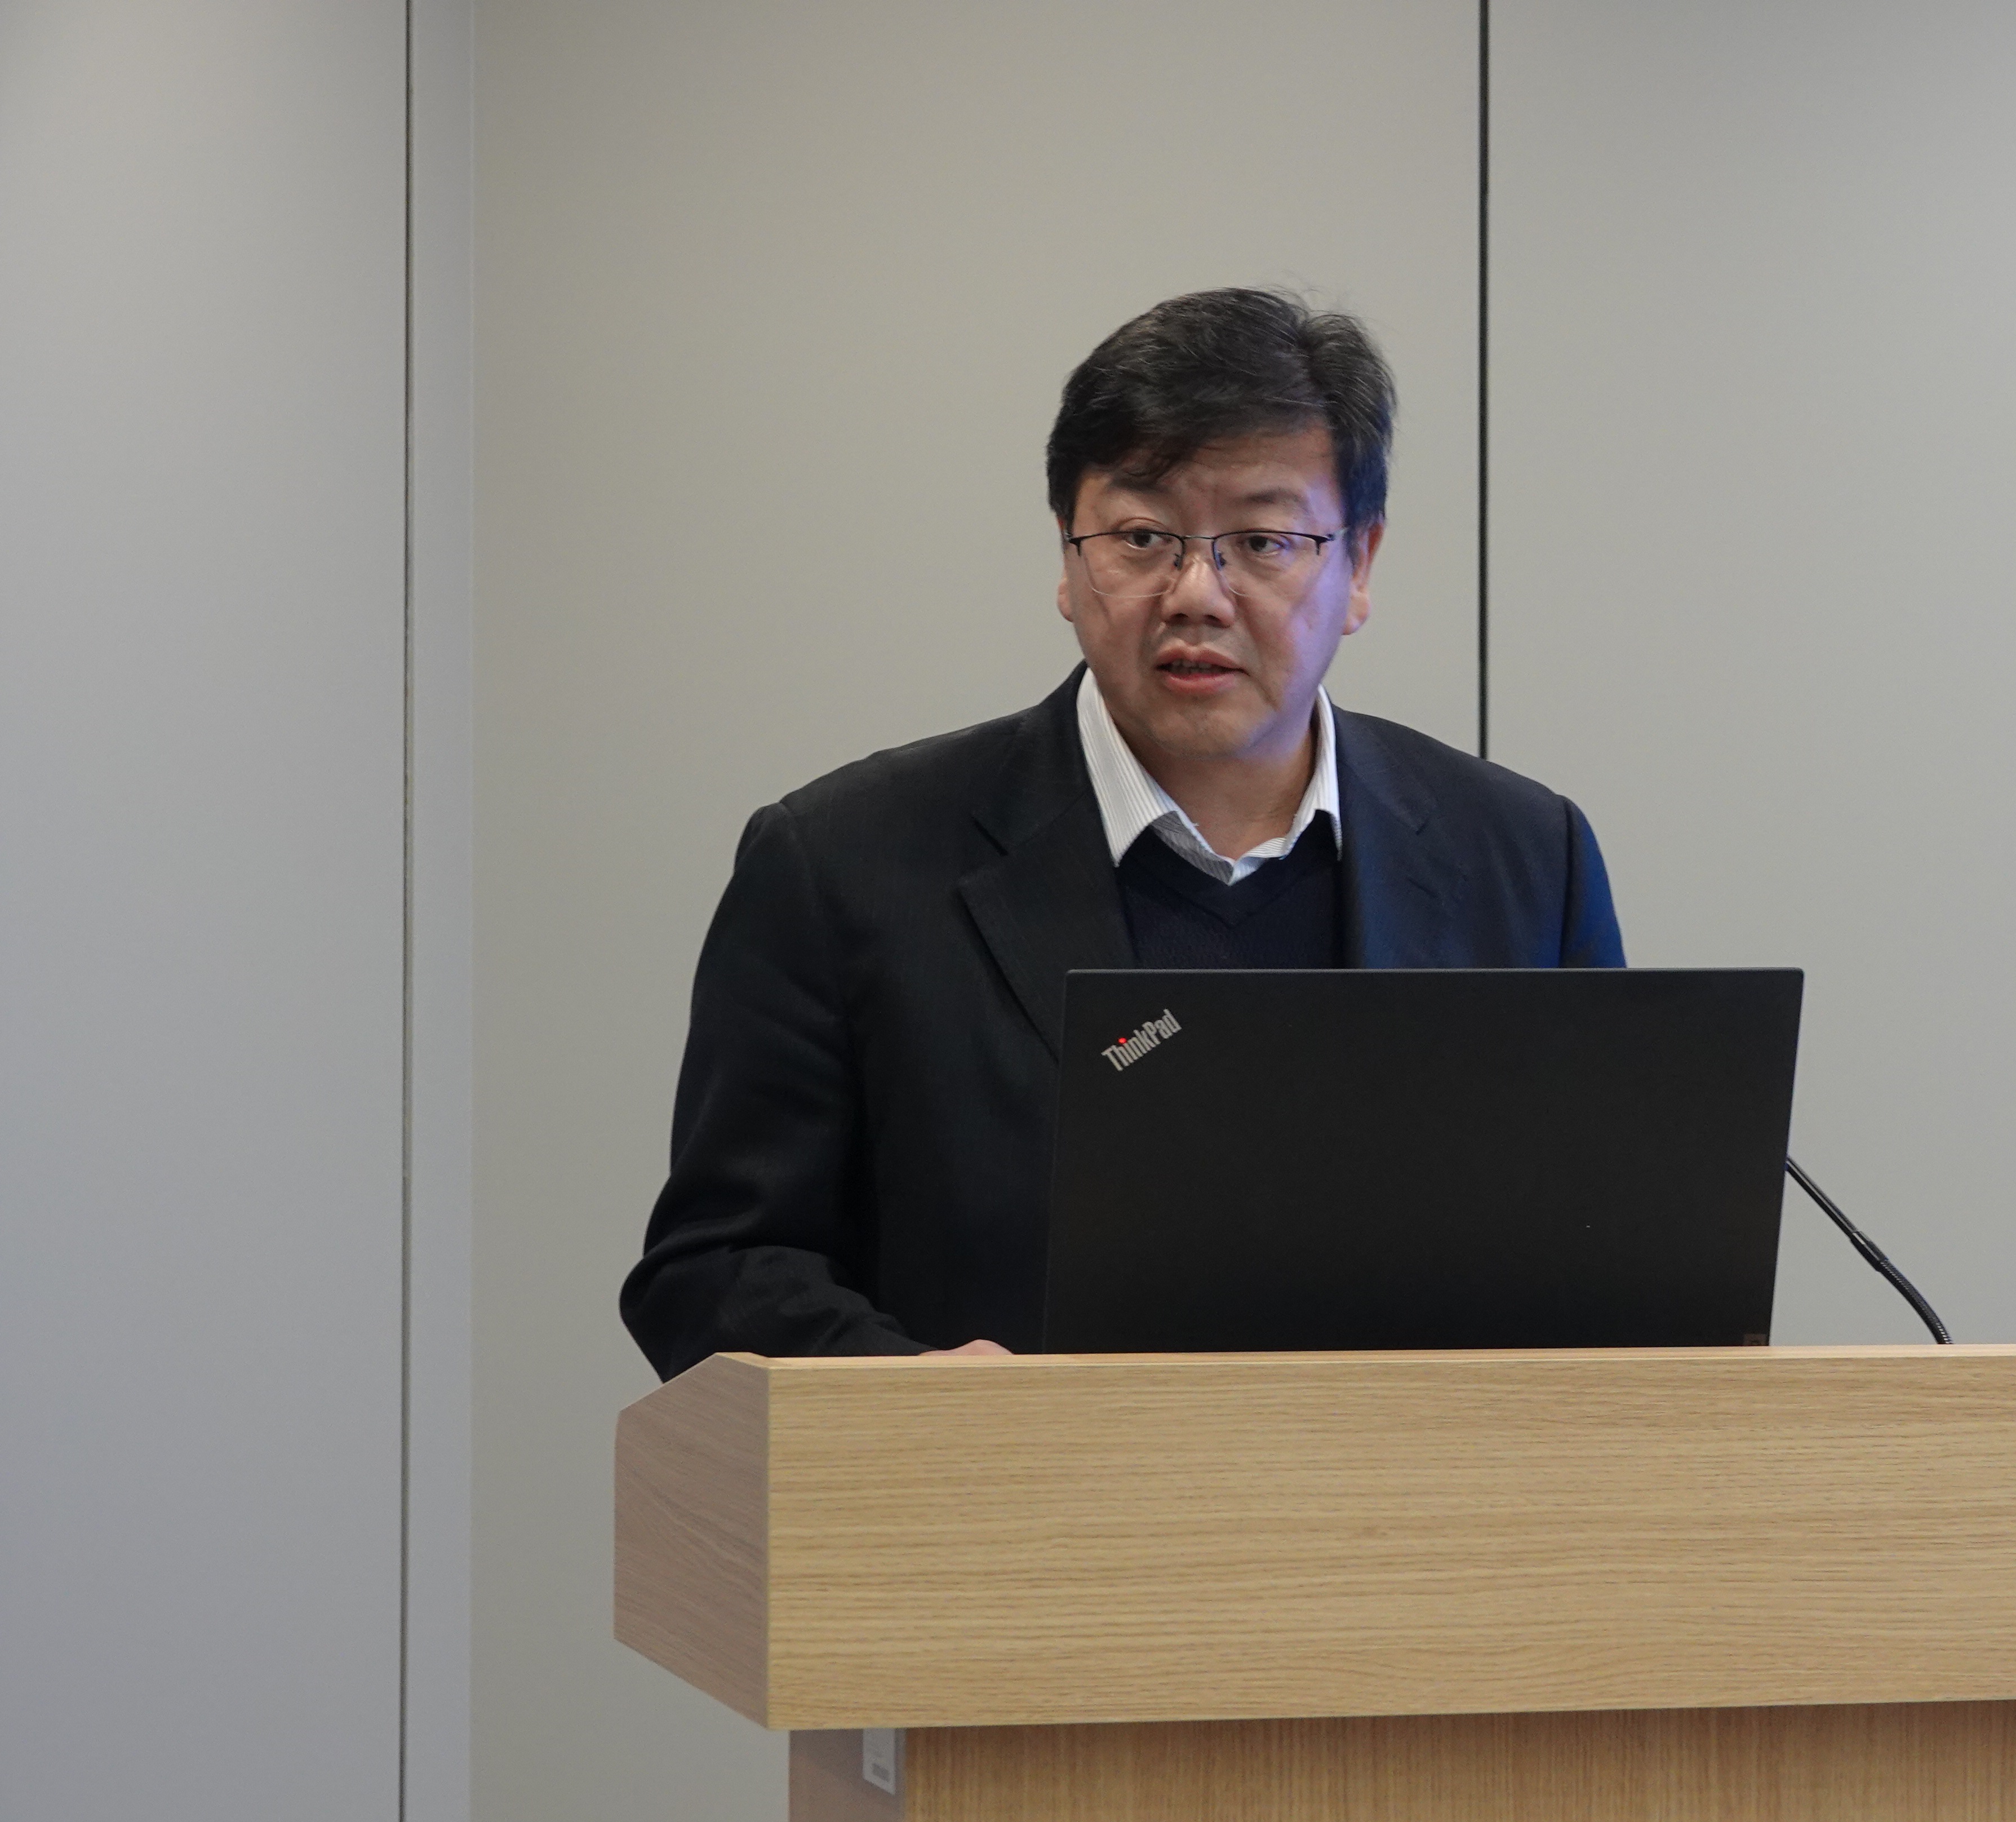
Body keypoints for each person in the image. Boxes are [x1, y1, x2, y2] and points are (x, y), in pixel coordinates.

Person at [620, 288, 1625, 1378]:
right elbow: (714, 1271)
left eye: (1263, 540)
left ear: (1360, 567)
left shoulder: (1525, 860)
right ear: (1067, 557)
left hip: (1403, 1489)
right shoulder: (841, 865)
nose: (1198, 594)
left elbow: (1613, 1258)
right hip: (1005, 1485)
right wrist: (914, 1397)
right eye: (1143, 538)